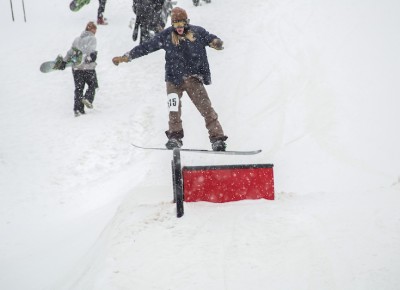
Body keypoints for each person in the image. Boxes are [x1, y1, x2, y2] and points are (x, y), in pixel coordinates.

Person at [112, 7, 228, 151]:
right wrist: (127, 56)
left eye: (181, 24)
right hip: (173, 79)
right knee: (174, 111)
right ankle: (175, 137)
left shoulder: (197, 32)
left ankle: (217, 138)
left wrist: (216, 42)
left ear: (187, 22)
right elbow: (147, 46)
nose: (179, 28)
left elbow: (210, 38)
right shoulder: (166, 36)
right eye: (175, 25)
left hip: (193, 79)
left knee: (206, 109)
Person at [59, 21, 98, 117]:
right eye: (95, 29)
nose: (95, 32)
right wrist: (91, 57)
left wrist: (64, 61)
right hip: (88, 67)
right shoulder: (92, 38)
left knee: (79, 88)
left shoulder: (77, 39)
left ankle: (78, 109)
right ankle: (88, 99)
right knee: (93, 85)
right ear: (91, 29)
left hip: (76, 68)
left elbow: (71, 52)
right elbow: (91, 51)